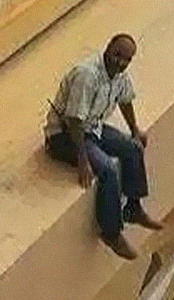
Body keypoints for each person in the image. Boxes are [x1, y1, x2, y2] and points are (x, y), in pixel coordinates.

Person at [44, 34, 163, 260]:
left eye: (127, 59)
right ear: (108, 49)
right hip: (65, 135)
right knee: (107, 169)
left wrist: (135, 129)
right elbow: (74, 120)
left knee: (132, 148)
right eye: (118, 55)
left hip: (93, 128)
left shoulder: (119, 75)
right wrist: (82, 160)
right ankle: (111, 233)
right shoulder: (87, 75)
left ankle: (133, 208)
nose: (121, 62)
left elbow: (125, 99)